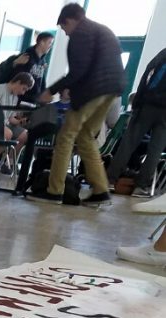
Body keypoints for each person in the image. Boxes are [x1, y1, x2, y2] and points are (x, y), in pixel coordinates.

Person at [28, 3, 126, 207]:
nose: (65, 33)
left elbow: (78, 70)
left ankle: (54, 191)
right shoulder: (103, 30)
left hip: (92, 91)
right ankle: (100, 191)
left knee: (65, 137)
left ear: (70, 20)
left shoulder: (80, 34)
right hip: (112, 92)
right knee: (86, 136)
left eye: (64, 28)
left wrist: (51, 90)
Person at [106, 48, 166, 199]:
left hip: (148, 104)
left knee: (128, 143)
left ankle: (110, 180)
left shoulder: (164, 53)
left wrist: (138, 99)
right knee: (155, 150)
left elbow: (149, 72)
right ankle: (141, 187)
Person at [0, 72, 35, 171]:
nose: (23, 93)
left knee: (25, 135)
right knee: (7, 133)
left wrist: (20, 122)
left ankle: (9, 163)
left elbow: (10, 118)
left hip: (4, 125)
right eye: (24, 88)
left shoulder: (15, 97)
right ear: (18, 82)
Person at [11, 32, 55, 103]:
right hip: (21, 99)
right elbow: (17, 78)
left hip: (34, 101)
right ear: (42, 42)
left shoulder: (43, 62)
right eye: (49, 43)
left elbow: (41, 82)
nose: (50, 46)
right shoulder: (26, 57)